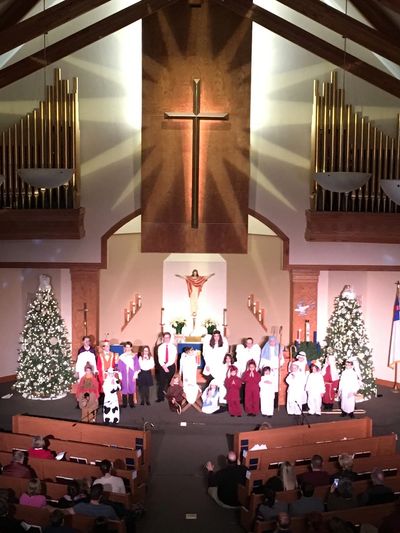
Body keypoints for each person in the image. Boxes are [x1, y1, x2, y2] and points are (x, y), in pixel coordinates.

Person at [155, 332, 177, 402]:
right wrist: (164, 366)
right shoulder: (160, 347)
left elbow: (173, 358)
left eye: (168, 337)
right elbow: (160, 358)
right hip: (162, 365)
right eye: (165, 337)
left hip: (171, 365)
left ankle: (171, 397)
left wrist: (167, 366)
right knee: (161, 382)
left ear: (170, 338)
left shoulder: (173, 347)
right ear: (163, 338)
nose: (166, 339)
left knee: (170, 382)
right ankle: (160, 397)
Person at [118, 341, 140, 408]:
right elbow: (119, 366)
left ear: (131, 347)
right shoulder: (122, 356)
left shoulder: (134, 356)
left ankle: (131, 403)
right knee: (124, 388)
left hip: (131, 374)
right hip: (124, 374)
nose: (127, 348)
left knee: (131, 388)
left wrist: (135, 375)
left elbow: (136, 366)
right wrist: (120, 376)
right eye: (126, 347)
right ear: (125, 348)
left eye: (129, 347)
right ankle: (124, 403)